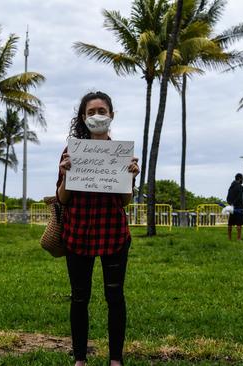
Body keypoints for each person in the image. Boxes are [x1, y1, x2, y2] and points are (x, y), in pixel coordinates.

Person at [56, 91, 140, 366]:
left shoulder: (121, 154)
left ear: (111, 115)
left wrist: (129, 177)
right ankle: (80, 358)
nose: (97, 116)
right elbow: (62, 199)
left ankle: (115, 359)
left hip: (113, 233)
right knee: (79, 298)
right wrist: (67, 174)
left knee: (115, 296)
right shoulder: (71, 152)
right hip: (77, 233)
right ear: (83, 117)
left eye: (101, 110)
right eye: (91, 112)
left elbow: (125, 201)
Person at [226, 173, 243, 240]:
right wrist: (235, 204)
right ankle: (239, 238)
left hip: (231, 207)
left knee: (230, 223)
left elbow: (228, 197)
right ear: (240, 178)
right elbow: (239, 197)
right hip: (238, 207)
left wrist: (231, 204)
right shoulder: (240, 187)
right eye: (242, 178)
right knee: (239, 223)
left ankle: (229, 238)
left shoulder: (231, 186)